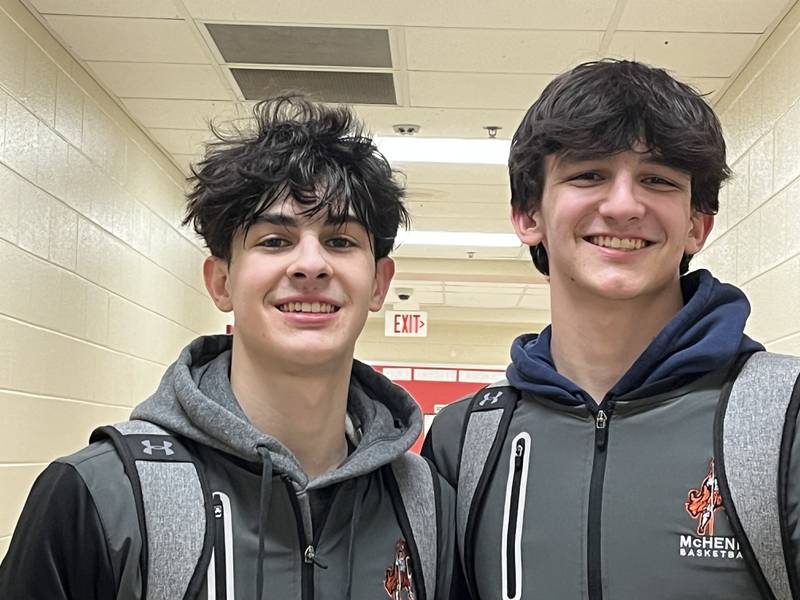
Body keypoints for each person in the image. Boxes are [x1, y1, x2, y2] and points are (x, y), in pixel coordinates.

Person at [0, 95, 454, 600]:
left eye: (341, 241)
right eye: (275, 241)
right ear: (220, 282)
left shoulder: (426, 506)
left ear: (378, 284)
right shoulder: (99, 495)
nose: (310, 265)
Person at [423, 59, 799, 599]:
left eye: (658, 180)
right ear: (528, 216)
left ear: (697, 224)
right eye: (588, 174)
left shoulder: (784, 420)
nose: (624, 205)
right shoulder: (467, 442)